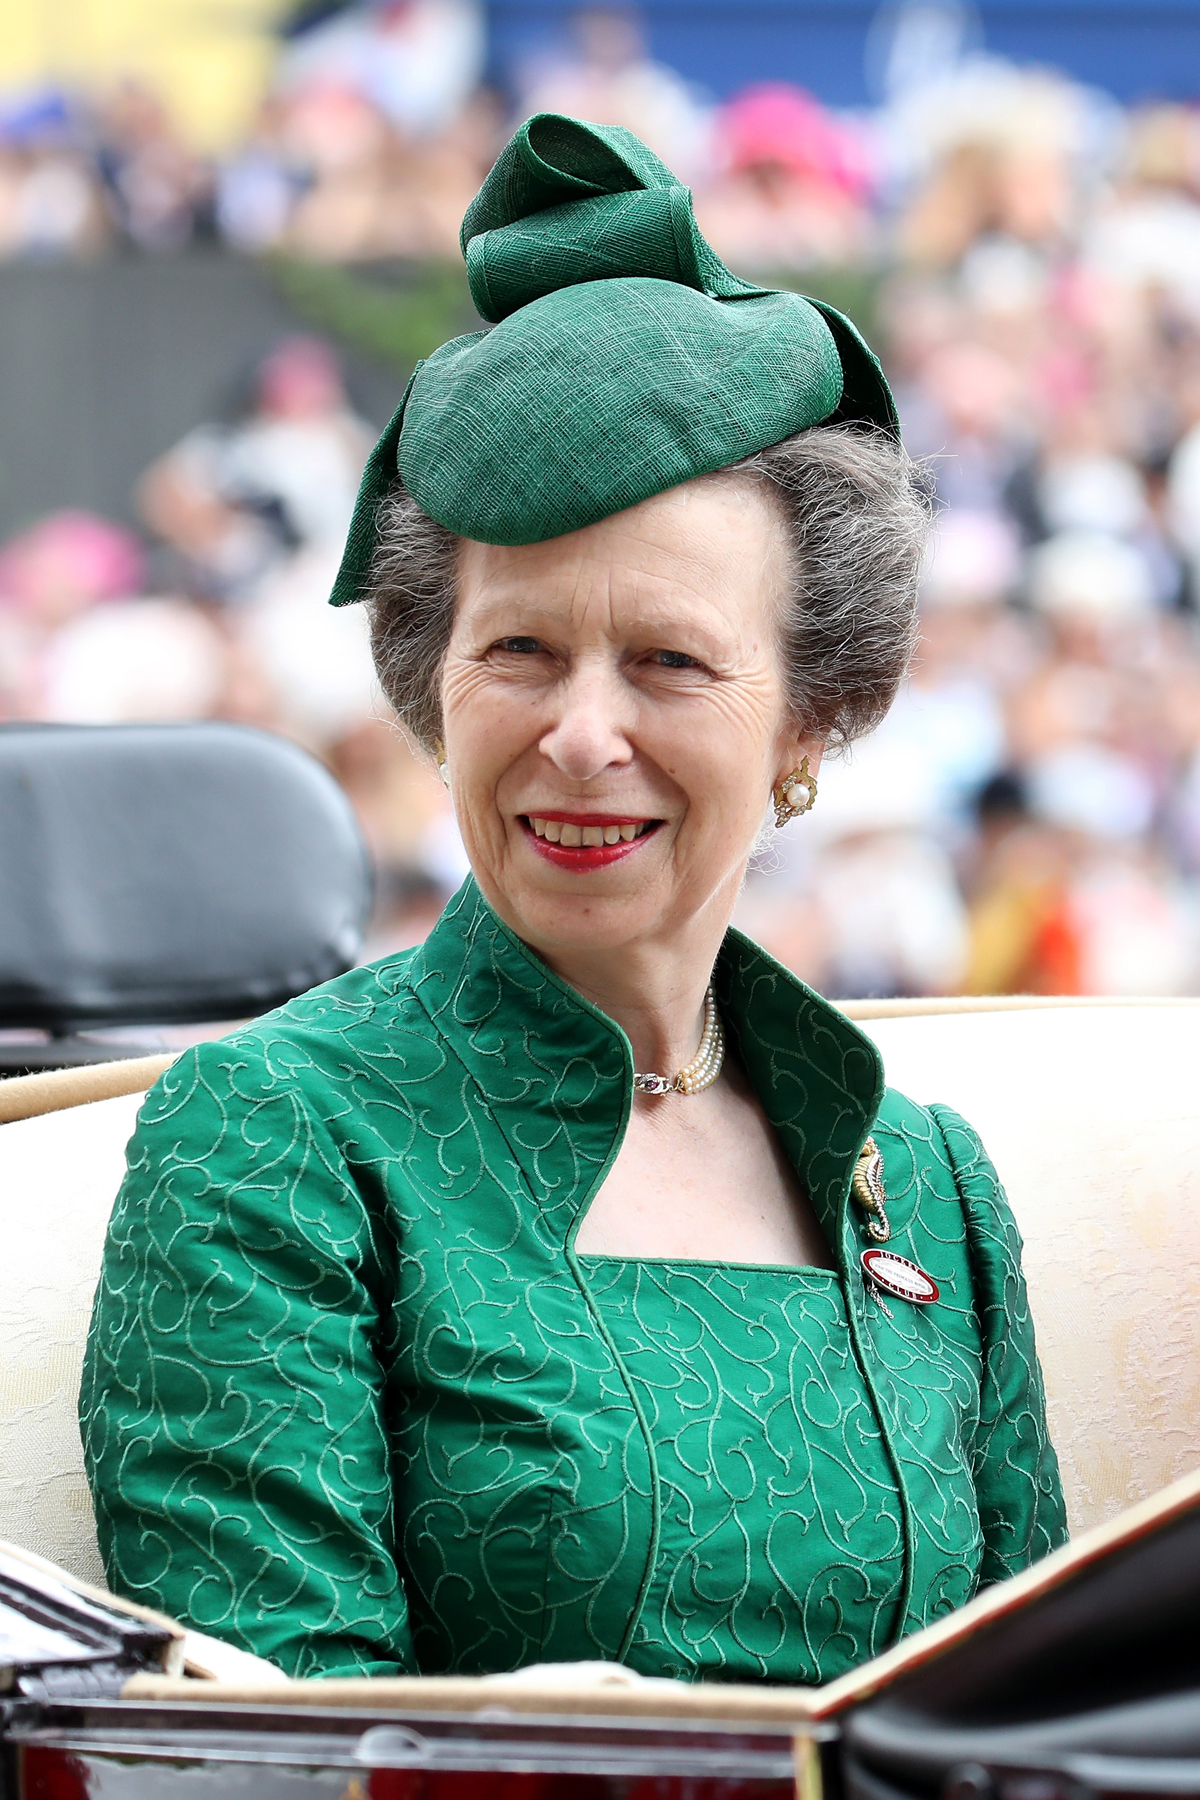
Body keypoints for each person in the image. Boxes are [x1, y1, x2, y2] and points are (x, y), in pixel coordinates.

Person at [81, 114, 1066, 1686]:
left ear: (813, 718)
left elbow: (1041, 1712)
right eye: (520, 652)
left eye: (669, 662)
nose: (581, 735)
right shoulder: (276, 1138)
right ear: (435, 682)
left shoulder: (930, 1179)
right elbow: (267, 1758)